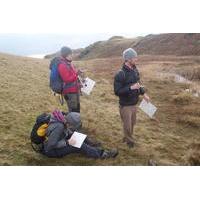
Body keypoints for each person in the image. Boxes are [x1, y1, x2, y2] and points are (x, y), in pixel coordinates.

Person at [41, 111, 118, 159]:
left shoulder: (62, 118)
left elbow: (66, 131)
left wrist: (72, 135)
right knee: (79, 145)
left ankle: (92, 146)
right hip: (50, 151)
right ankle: (102, 154)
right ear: (69, 123)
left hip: (59, 139)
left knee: (77, 135)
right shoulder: (59, 127)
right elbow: (50, 145)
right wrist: (67, 143)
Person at [114, 48, 150, 148]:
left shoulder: (135, 69)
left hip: (134, 102)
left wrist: (144, 94)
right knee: (128, 125)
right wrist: (130, 88)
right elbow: (117, 92)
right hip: (125, 105)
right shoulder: (120, 74)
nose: (136, 59)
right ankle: (130, 142)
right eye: (134, 57)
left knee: (132, 123)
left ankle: (127, 137)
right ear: (128, 59)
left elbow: (138, 84)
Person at [58, 46, 83, 113]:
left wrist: (79, 80)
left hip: (75, 90)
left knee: (77, 108)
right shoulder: (62, 65)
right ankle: (73, 122)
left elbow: (73, 75)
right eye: (70, 54)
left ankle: (76, 122)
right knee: (73, 111)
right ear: (66, 55)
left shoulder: (68, 63)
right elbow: (67, 80)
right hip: (70, 92)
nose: (72, 55)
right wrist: (77, 74)